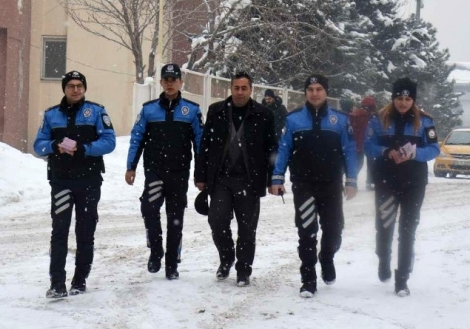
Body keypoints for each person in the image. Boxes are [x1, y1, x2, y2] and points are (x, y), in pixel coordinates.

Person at [270, 74, 357, 298]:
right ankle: (308, 279)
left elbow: (349, 151)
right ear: (305, 93)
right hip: (304, 184)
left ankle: (326, 257)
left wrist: (351, 180)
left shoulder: (340, 120)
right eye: (311, 89)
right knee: (307, 232)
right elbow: (284, 150)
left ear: (326, 92)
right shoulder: (294, 120)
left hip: (331, 184)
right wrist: (277, 177)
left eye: (319, 89)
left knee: (334, 230)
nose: (315, 93)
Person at [33, 71, 116, 298]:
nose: (76, 89)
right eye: (71, 86)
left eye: (80, 85)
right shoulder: (51, 115)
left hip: (89, 181)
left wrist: (85, 149)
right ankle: (57, 283)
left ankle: (80, 281)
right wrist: (54, 145)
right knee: (59, 231)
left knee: (85, 231)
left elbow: (109, 142)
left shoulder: (97, 111)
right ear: (64, 88)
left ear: (85, 88)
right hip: (61, 182)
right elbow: (38, 145)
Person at [195, 72, 277, 286]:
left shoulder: (263, 115)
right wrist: (200, 175)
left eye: (244, 88)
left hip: (249, 180)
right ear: (230, 88)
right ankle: (227, 257)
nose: (240, 92)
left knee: (247, 228)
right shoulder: (217, 111)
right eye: (236, 88)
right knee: (217, 220)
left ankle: (244, 270)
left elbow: (272, 148)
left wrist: (272, 178)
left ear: (251, 90)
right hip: (221, 178)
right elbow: (205, 145)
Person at [126, 63, 203, 280]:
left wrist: (200, 174)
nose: (170, 83)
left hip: (179, 173)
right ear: (161, 82)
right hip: (155, 172)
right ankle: (156, 251)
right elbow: (137, 139)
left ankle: (172, 263)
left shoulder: (192, 110)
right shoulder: (149, 109)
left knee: (175, 217)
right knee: (149, 209)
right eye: (166, 79)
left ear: (181, 82)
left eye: (174, 79)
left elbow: (200, 143)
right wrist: (130, 167)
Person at [364, 77, 440, 297]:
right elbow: (369, 146)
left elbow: (434, 149)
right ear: (393, 98)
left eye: (408, 99)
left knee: (408, 230)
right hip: (386, 181)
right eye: (399, 98)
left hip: (414, 183)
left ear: (414, 100)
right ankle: (384, 258)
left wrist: (416, 153)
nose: (404, 103)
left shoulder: (424, 121)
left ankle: (402, 278)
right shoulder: (379, 119)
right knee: (385, 226)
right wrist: (385, 152)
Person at [349, 96, 378, 190]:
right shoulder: (371, 116)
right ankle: (370, 182)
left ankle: (351, 181)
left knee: (357, 164)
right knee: (370, 163)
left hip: (356, 143)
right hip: (367, 142)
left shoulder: (354, 114)